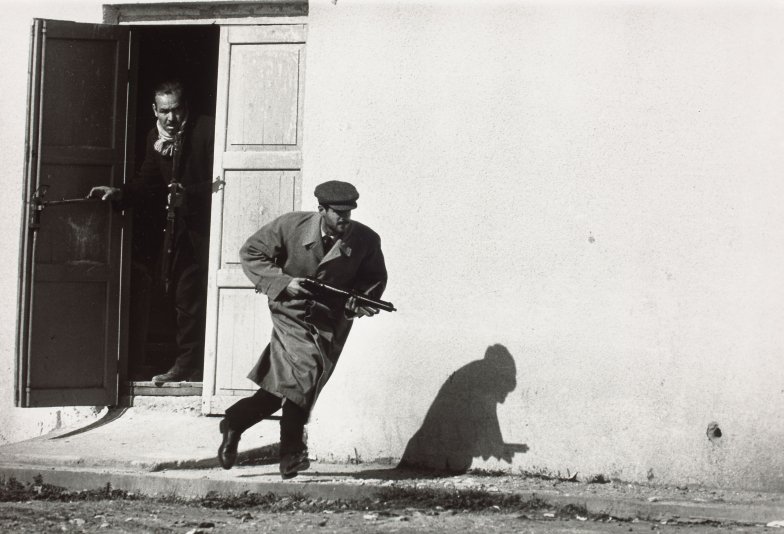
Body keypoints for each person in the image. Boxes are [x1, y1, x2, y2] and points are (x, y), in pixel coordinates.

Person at [217, 180, 388, 479]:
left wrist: (358, 304)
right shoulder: (291, 226)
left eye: (349, 212)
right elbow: (251, 252)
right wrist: (284, 283)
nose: (345, 219)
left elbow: (373, 279)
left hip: (329, 321)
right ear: (321, 209)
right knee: (306, 372)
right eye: (338, 213)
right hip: (290, 312)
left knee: (281, 388)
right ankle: (291, 454)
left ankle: (234, 421)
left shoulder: (365, 240)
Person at [89, 81, 215, 384]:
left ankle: (201, 366)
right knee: (184, 297)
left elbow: (223, 179)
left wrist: (192, 195)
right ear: (155, 111)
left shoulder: (208, 129)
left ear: (186, 108)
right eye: (164, 112)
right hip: (181, 232)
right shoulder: (154, 138)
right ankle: (187, 365)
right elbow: (147, 180)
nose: (171, 119)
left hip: (211, 228)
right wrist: (120, 193)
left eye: (176, 110)